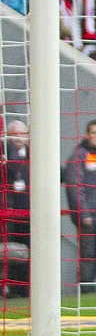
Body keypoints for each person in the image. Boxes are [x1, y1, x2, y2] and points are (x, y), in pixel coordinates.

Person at [63, 120, 96, 292]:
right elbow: (74, 187)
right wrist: (83, 213)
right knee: (87, 254)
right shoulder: (79, 156)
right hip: (87, 216)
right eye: (95, 133)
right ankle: (86, 290)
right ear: (87, 135)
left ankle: (93, 289)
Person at [2, 120, 31, 297]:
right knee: (8, 252)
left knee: (28, 252)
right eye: (15, 133)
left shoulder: (35, 154)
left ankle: (24, 288)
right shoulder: (4, 153)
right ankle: (7, 289)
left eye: (22, 134)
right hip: (7, 212)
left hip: (28, 214)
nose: (19, 138)